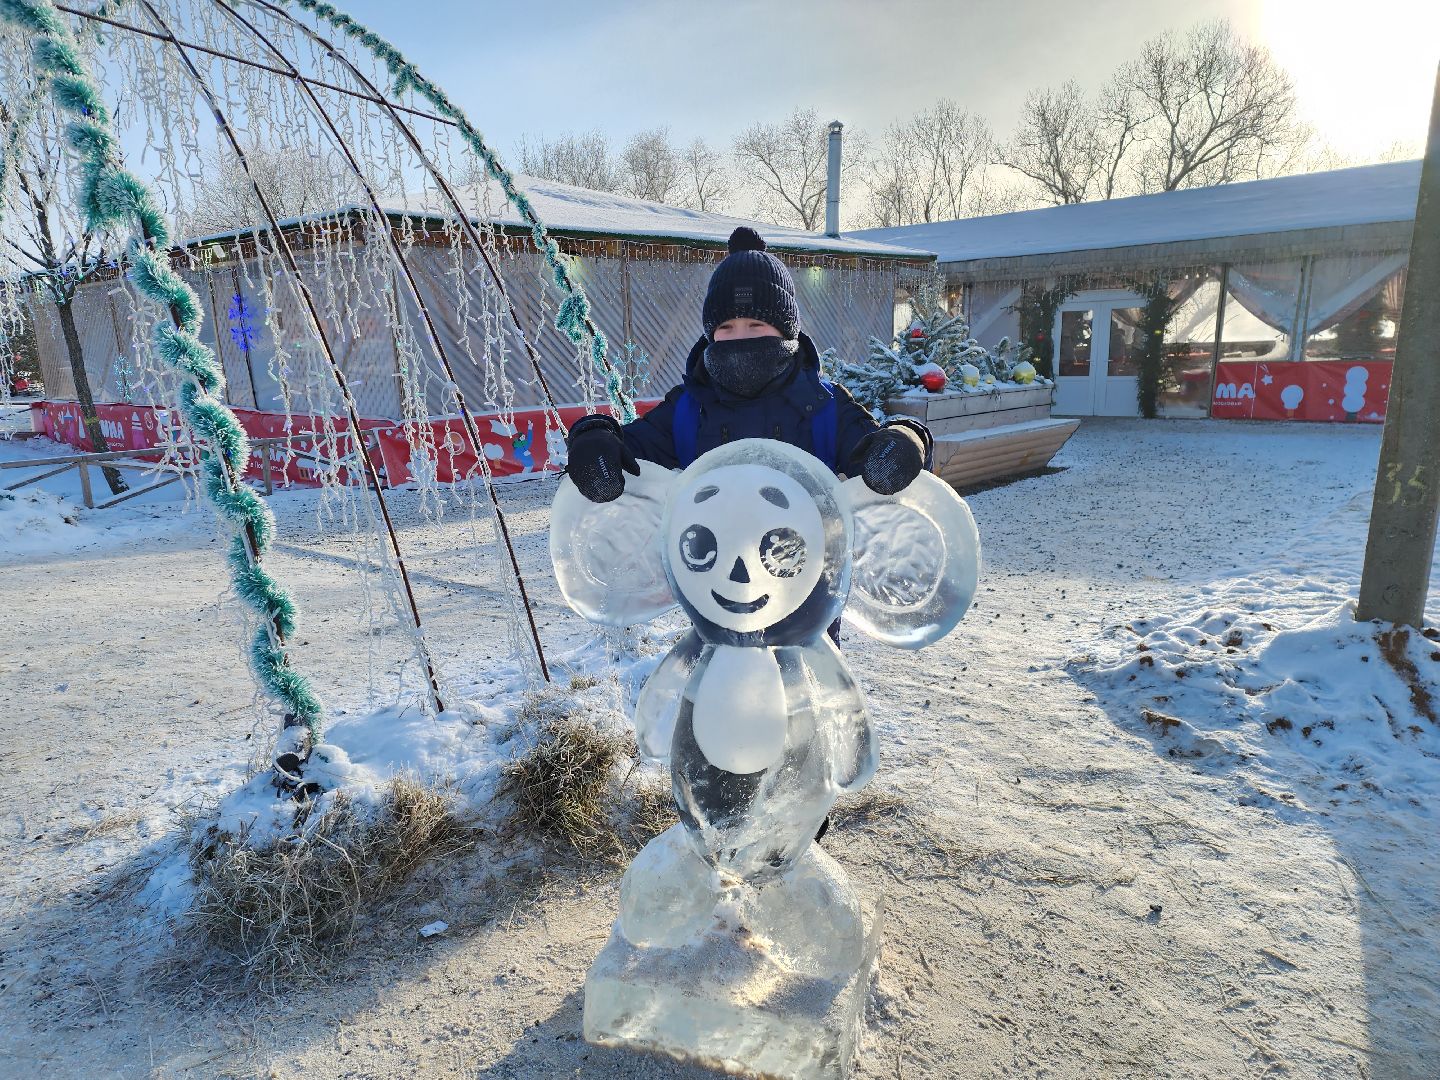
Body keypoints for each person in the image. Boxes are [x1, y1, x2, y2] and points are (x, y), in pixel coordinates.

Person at [565, 226, 932, 503]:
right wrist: (594, 436)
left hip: (809, 586)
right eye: (726, 327)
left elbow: (876, 450)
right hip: (713, 586)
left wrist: (907, 438)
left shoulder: (824, 408)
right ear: (710, 335)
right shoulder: (688, 410)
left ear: (786, 330)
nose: (741, 338)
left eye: (756, 324)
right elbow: (630, 449)